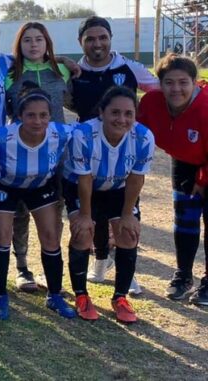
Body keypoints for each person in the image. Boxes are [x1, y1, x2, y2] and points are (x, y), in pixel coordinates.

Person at [71, 16, 159, 290]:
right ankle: (99, 263)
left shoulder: (128, 68)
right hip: (88, 148)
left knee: (124, 212)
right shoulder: (75, 72)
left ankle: (126, 273)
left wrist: (143, 123)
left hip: (121, 149)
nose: (97, 43)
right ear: (81, 43)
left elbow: (158, 90)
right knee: (93, 213)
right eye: (91, 39)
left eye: (102, 37)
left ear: (110, 39)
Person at [63, 86, 154, 323]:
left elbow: (136, 178)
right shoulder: (83, 134)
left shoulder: (143, 137)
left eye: (128, 114)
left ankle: (120, 297)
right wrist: (84, 214)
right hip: (83, 187)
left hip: (118, 189)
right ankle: (81, 295)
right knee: (83, 233)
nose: (121, 119)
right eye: (115, 112)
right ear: (101, 112)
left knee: (128, 233)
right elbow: (84, 179)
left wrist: (127, 215)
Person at [0, 87, 76, 320]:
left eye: (43, 115)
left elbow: (90, 130)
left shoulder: (60, 133)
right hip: (6, 187)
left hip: (40, 186)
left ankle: (55, 295)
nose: (38, 121)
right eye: (30, 115)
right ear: (19, 117)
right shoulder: (2, 136)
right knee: (2, 235)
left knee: (50, 235)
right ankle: (0, 296)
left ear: (50, 115)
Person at [5, 22, 73, 293]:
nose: (33, 44)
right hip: (20, 153)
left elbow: (75, 101)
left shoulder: (63, 71)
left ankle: (50, 268)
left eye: (39, 39)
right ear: (19, 45)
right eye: (27, 40)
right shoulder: (10, 74)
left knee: (53, 212)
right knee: (20, 213)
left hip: (56, 154)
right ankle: (22, 269)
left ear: (47, 43)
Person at [138, 53, 208, 305]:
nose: (176, 89)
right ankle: (183, 276)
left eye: (183, 82)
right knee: (185, 221)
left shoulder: (205, 106)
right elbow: (136, 132)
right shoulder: (151, 102)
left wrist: (202, 180)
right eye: (169, 82)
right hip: (185, 161)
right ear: (161, 83)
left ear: (194, 82)